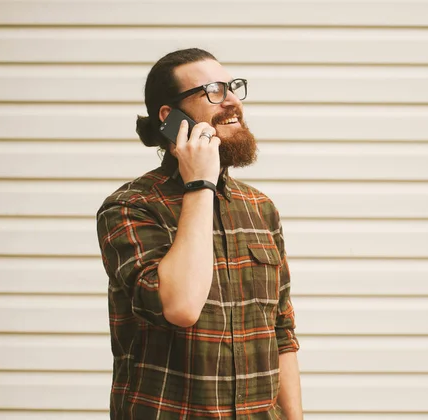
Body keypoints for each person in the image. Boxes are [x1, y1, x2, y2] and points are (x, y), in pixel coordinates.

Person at [96, 48, 302, 419]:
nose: (233, 101)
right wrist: (199, 184)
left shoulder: (260, 208)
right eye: (214, 91)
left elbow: (281, 332)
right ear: (170, 117)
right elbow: (180, 307)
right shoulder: (130, 207)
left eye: (233, 87)